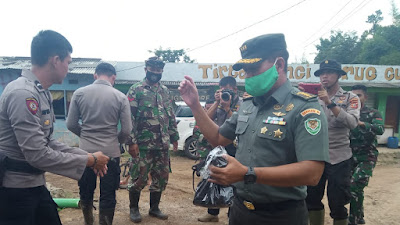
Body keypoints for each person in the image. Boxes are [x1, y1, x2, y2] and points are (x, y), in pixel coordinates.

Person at [179, 33, 329, 225]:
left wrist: (247, 174)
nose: (248, 76)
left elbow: (312, 172)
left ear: (279, 64)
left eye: (254, 69)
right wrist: (194, 106)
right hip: (240, 211)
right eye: (245, 71)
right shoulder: (248, 104)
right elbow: (218, 138)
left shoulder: (305, 108)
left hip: (282, 216)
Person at [0, 30, 109, 225]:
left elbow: (48, 142)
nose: (68, 68)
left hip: (34, 185)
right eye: (68, 62)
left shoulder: (41, 93)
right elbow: (38, 154)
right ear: (55, 60)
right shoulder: (23, 94)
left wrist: (88, 157)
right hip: (15, 191)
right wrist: (89, 160)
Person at [66, 62, 132, 225]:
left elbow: (71, 124)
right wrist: (116, 141)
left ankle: (88, 221)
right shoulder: (120, 97)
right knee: (108, 194)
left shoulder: (79, 93)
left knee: (86, 191)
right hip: (111, 153)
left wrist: (87, 136)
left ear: (95, 75)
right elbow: (126, 130)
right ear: (113, 78)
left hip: (86, 154)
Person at [305, 60, 361, 225]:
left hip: (340, 158)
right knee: (312, 200)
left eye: (329, 72)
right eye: (322, 73)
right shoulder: (312, 98)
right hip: (316, 156)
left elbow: (352, 123)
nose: (324, 76)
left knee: (338, 203)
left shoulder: (351, 97)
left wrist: (330, 103)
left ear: (338, 75)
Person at [126, 56, 179, 223]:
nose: (155, 73)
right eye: (152, 70)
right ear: (146, 69)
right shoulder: (136, 90)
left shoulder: (165, 91)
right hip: (142, 145)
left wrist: (174, 137)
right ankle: (133, 208)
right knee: (138, 177)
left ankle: (154, 208)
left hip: (162, 144)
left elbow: (170, 115)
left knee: (161, 177)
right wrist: (131, 141)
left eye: (158, 70)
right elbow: (129, 118)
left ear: (162, 71)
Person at [197, 76, 242, 222]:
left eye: (229, 89)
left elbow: (240, 123)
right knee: (215, 176)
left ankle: (232, 214)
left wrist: (228, 108)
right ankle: (212, 212)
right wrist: (217, 102)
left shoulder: (242, 103)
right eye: (223, 90)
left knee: (235, 178)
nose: (226, 93)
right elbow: (206, 118)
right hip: (218, 145)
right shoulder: (218, 102)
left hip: (236, 146)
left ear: (235, 89)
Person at [348, 85, 384, 225]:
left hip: (367, 156)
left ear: (365, 97)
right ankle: (359, 217)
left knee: (354, 186)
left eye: (359, 95)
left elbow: (380, 129)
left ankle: (353, 220)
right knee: (356, 189)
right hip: (350, 156)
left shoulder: (373, 113)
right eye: (353, 96)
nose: (356, 98)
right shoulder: (348, 113)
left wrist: (362, 123)